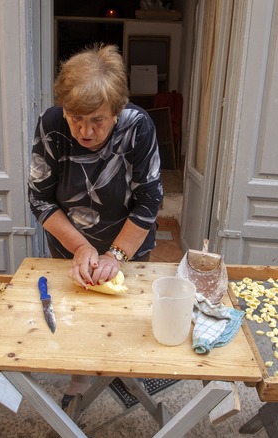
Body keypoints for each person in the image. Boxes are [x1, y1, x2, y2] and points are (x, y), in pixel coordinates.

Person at [27, 43, 163, 407]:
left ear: (117, 112)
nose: (84, 131)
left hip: (128, 240)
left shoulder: (138, 127)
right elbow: (40, 198)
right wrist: (82, 248)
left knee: (123, 313)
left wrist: (116, 254)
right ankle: (80, 378)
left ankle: (124, 371)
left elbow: (149, 198)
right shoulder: (51, 124)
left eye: (97, 120)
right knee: (77, 314)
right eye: (76, 118)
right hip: (71, 240)